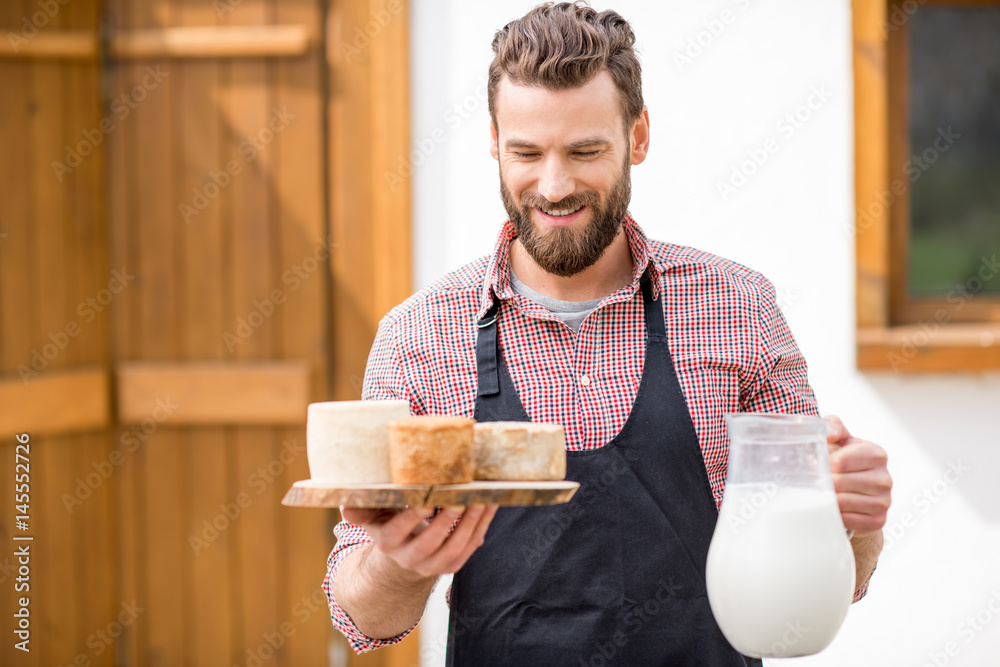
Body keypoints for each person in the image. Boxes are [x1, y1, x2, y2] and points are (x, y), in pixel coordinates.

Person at [322, 2, 891, 665]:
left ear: (638, 136)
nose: (554, 184)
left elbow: (822, 577)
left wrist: (857, 523)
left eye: (585, 150)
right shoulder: (417, 338)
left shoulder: (738, 307)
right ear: (493, 141)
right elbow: (362, 615)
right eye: (526, 152)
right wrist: (402, 562)